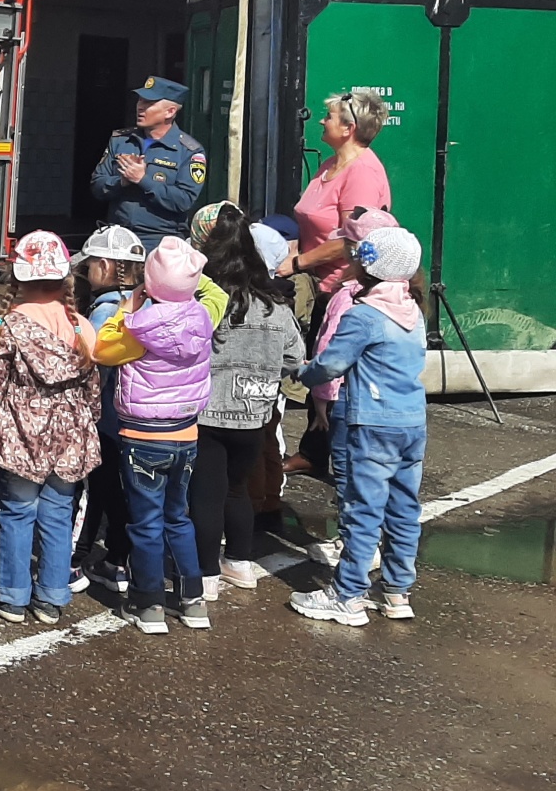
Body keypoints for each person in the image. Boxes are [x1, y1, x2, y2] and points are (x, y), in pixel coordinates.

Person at [289, 227, 428, 627]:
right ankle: (397, 591)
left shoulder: (364, 315)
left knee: (363, 509)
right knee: (404, 508)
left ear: (365, 266)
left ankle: (347, 595)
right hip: (411, 421)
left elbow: (331, 365)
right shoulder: (413, 311)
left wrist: (303, 372)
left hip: (373, 423)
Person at [0, 231, 99, 627]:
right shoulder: (81, 329)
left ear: (18, 278)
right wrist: (87, 425)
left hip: (20, 438)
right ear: (66, 278)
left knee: (17, 513)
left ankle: (11, 596)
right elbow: (93, 392)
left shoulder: (8, 328)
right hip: (69, 439)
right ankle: (51, 597)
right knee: (59, 515)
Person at [93, 237, 216, 634]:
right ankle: (192, 599)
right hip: (186, 432)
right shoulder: (203, 319)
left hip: (142, 435)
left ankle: (149, 604)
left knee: (146, 522)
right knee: (177, 517)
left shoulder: (138, 328)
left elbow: (101, 350)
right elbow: (215, 295)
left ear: (149, 284)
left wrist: (124, 310)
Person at [190, 204, 304, 598]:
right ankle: (239, 562)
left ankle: (204, 574)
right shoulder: (274, 304)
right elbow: (294, 357)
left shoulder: (206, 298)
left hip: (206, 410)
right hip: (255, 413)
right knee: (237, 488)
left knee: (205, 494)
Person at [70, 225, 146, 598]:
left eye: (87, 267)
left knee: (91, 493)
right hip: (133, 418)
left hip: (101, 420)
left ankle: (72, 559)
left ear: (103, 265)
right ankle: (118, 560)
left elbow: (90, 366)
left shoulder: (103, 314)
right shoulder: (147, 305)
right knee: (119, 493)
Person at [280, 90, 394, 296]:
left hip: (339, 291)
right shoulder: (330, 164)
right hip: (314, 283)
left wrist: (297, 263)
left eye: (329, 117)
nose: (322, 122)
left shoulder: (362, 173)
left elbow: (351, 239)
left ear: (348, 129)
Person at [88, 76, 208, 250]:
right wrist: (121, 182)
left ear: (170, 112)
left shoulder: (189, 151)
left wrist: (143, 179)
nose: (140, 107)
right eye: (140, 101)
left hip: (160, 241)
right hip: (118, 237)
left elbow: (183, 200)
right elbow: (97, 185)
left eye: (149, 103)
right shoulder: (121, 140)